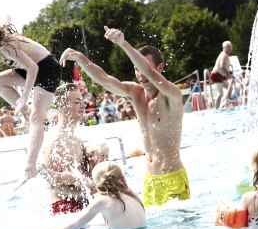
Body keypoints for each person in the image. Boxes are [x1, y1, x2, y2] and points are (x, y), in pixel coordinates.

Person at [60, 26, 189, 207]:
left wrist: (123, 44)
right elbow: (105, 79)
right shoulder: (136, 93)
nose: (140, 74)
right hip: (150, 180)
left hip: (172, 178)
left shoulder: (171, 96)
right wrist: (81, 59)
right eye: (136, 68)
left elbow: (151, 74)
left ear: (160, 67)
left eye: (144, 68)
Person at [0, 12, 62, 189]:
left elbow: (32, 67)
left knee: (36, 118)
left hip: (47, 69)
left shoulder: (4, 46)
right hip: (32, 69)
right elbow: (7, 15)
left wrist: (24, 97)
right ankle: (28, 119)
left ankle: (30, 168)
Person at [31, 161, 147, 229]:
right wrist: (87, 225)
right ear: (123, 178)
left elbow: (72, 227)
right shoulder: (133, 196)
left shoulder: (102, 201)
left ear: (97, 183)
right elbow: (121, 222)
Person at [38, 83, 91, 215]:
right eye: (77, 102)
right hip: (66, 208)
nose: (83, 105)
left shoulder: (75, 138)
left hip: (83, 203)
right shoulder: (55, 139)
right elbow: (52, 180)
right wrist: (90, 186)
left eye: (82, 101)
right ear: (62, 107)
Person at [210, 41, 233, 108]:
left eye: (230, 46)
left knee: (230, 88)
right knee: (220, 93)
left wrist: (227, 74)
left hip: (220, 76)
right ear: (224, 48)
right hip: (216, 75)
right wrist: (228, 74)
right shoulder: (224, 55)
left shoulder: (226, 55)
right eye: (228, 47)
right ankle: (216, 109)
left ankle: (227, 104)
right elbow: (222, 66)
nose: (229, 48)